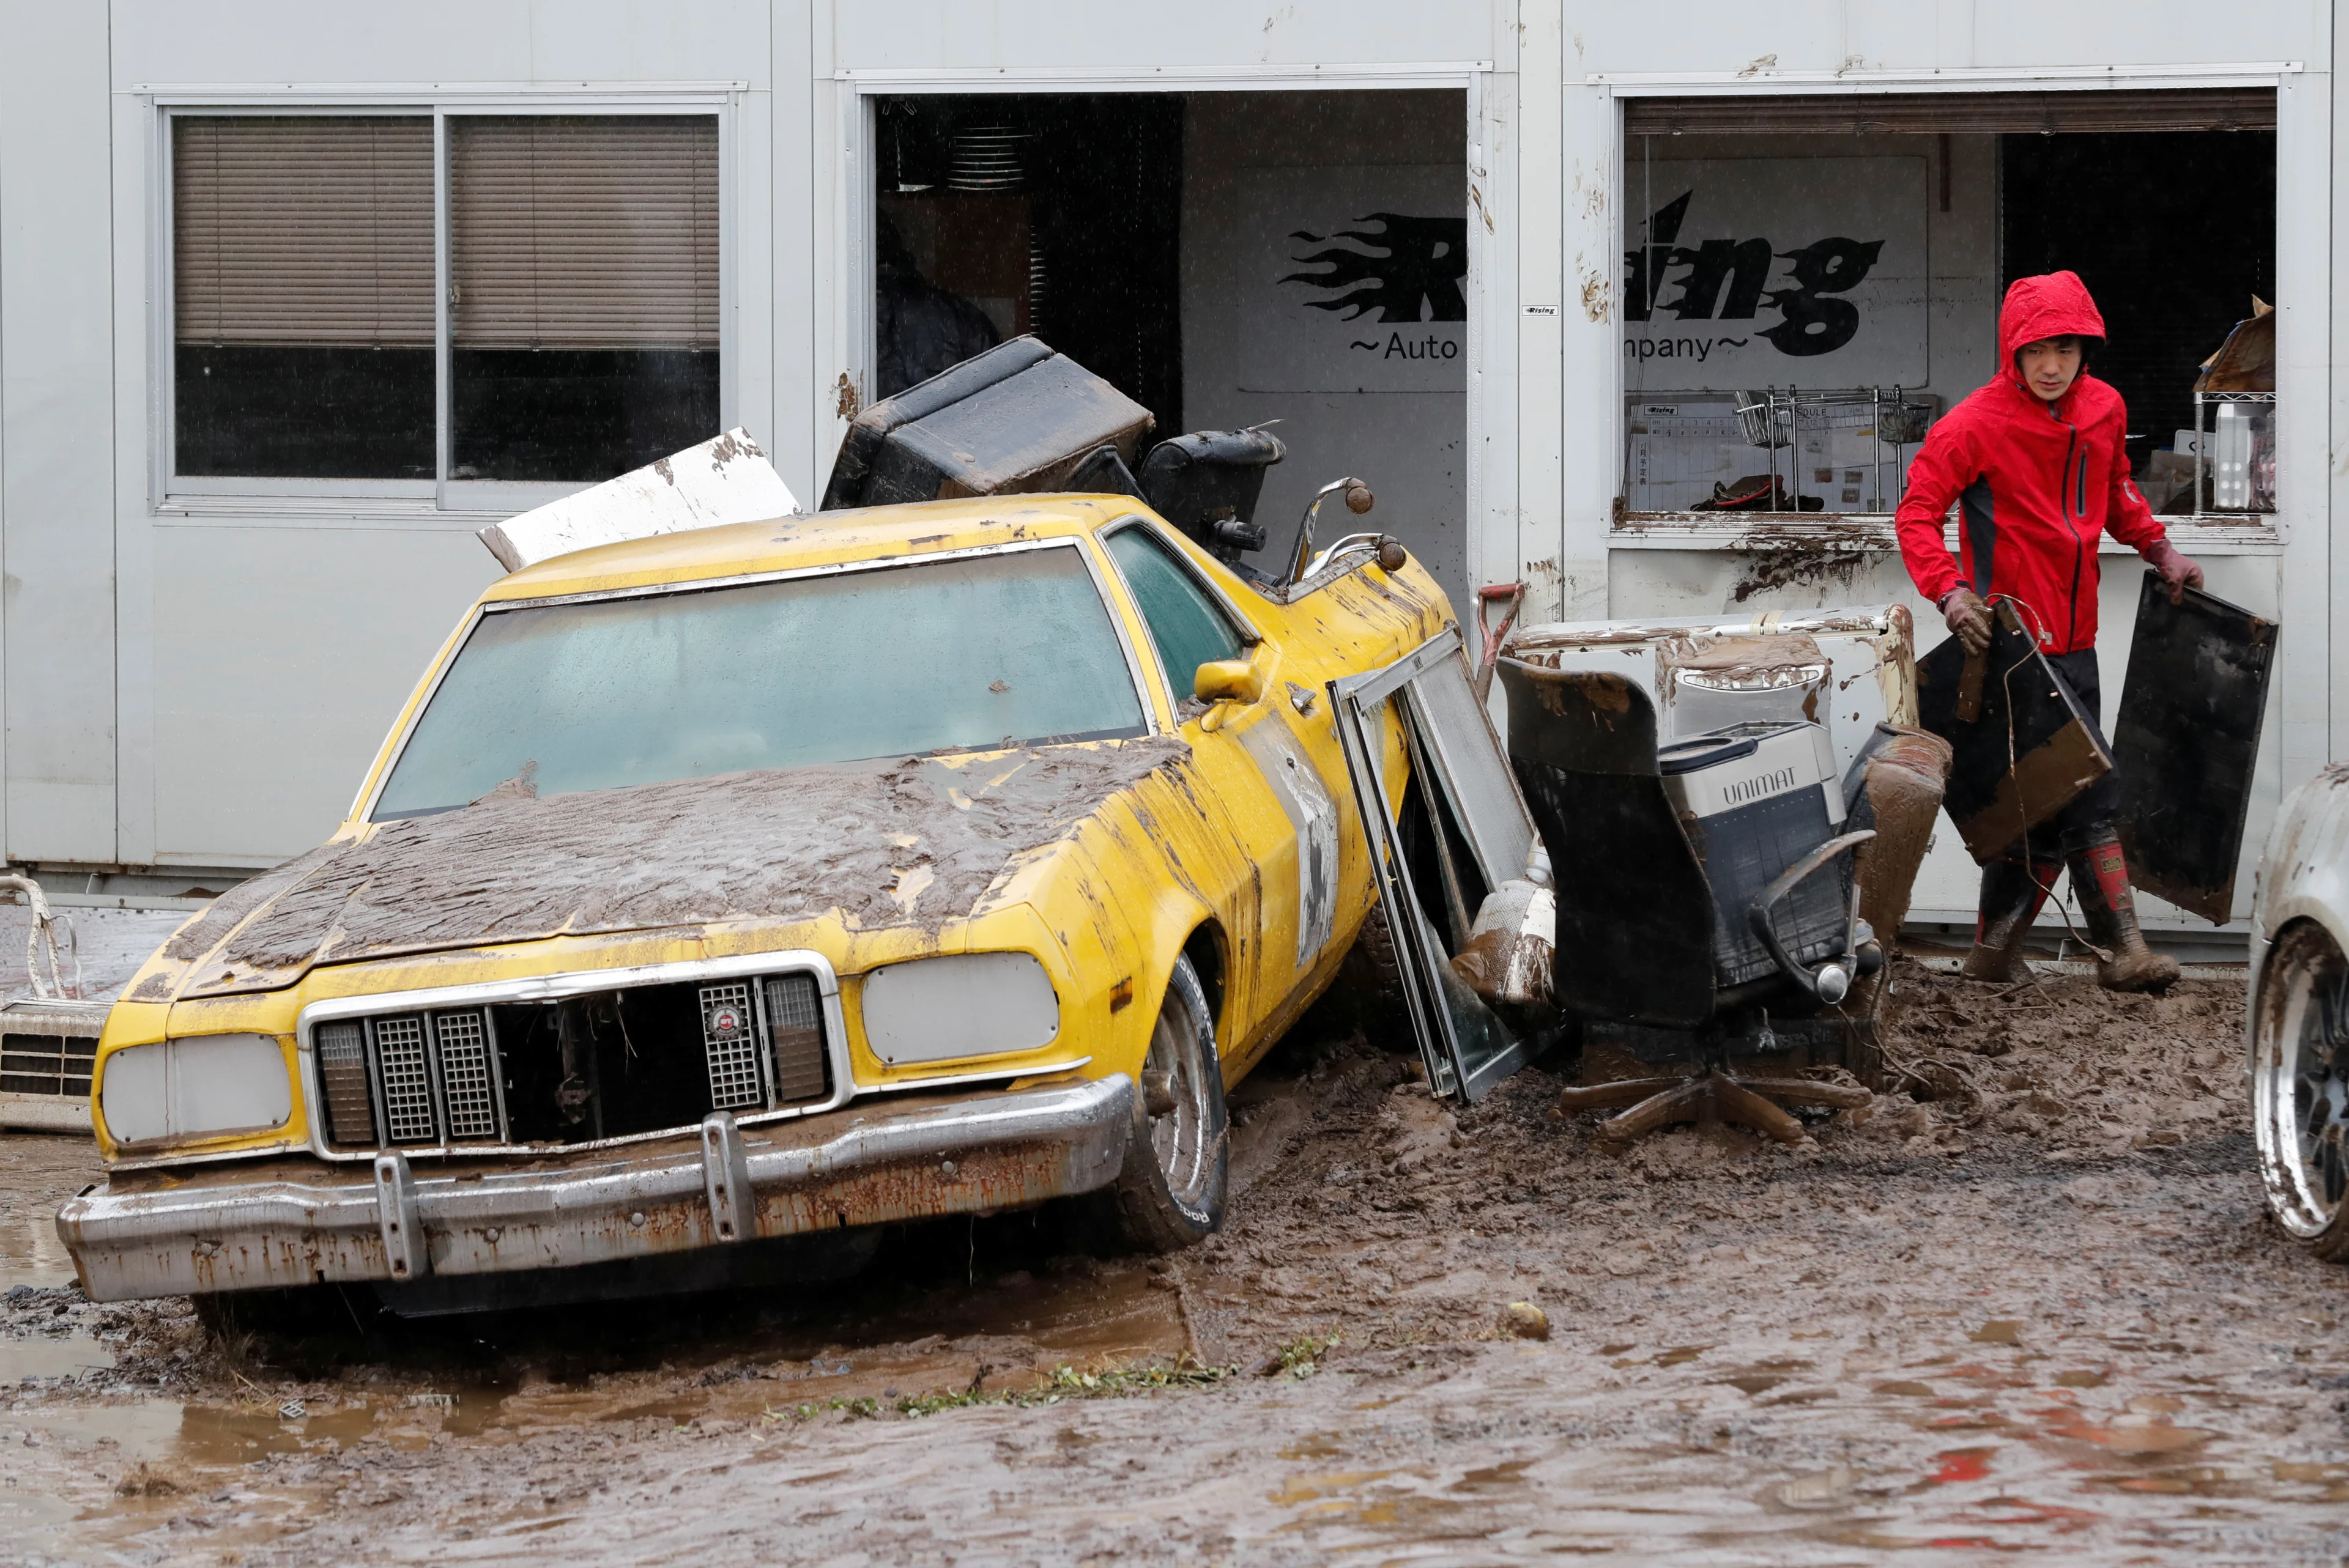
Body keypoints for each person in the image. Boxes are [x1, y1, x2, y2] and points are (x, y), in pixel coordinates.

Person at [1894, 270, 2204, 993]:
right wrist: (1950, 592)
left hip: (2078, 639)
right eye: (2036, 349)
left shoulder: (2103, 408)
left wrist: (2161, 550)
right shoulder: (1973, 423)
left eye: (2065, 347)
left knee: (2035, 802)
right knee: (2087, 789)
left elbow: (2119, 491)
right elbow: (1916, 513)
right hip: (2010, 649)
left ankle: (1993, 954)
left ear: (2084, 347)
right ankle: (2125, 949)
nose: (2052, 364)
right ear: (2012, 350)